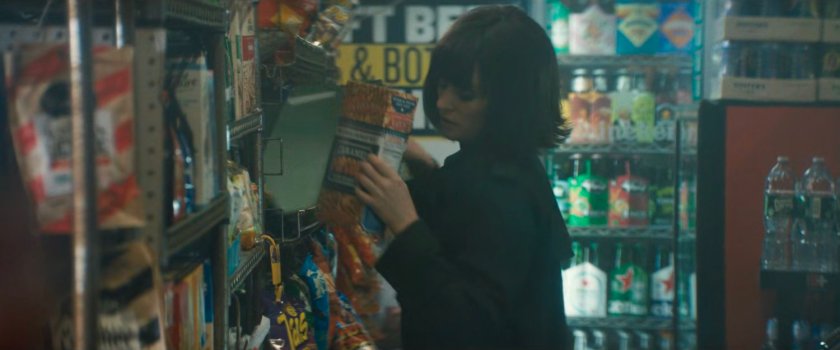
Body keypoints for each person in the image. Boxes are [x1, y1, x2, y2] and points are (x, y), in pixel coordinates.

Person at [354, 5, 573, 350]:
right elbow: (463, 215)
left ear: (509, 101)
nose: (443, 103)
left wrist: (406, 223)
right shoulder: (502, 163)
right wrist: (426, 171)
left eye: (464, 94)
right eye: (441, 87)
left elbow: (470, 325)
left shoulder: (505, 191)